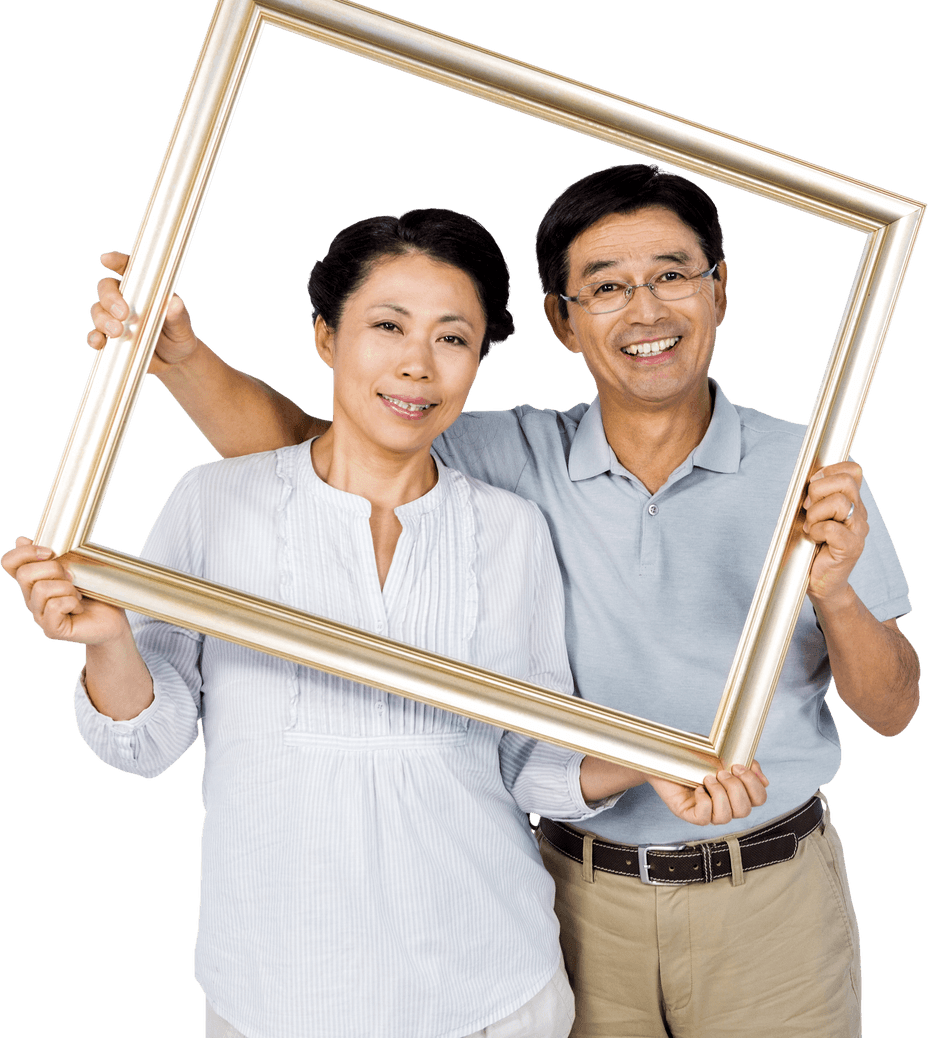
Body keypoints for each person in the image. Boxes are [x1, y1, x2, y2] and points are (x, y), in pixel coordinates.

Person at [78, 165, 920, 1037]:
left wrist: (836, 592)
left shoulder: (812, 473)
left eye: (673, 275)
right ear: (563, 319)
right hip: (577, 894)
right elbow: (321, 447)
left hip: (769, 893)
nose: (646, 310)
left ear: (720, 290)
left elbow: (893, 710)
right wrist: (179, 359)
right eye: (607, 287)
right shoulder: (508, 459)